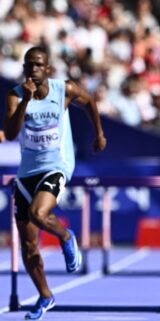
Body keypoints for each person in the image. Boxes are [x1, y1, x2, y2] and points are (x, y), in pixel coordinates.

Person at [3, 46, 106, 320]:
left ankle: (66, 237)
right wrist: (25, 100)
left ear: (47, 69)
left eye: (38, 64)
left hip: (56, 165)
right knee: (28, 245)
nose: (32, 69)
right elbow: (12, 134)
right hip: (27, 173)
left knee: (39, 214)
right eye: (28, 65)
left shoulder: (65, 90)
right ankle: (45, 296)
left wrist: (99, 133)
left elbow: (91, 102)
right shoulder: (14, 96)